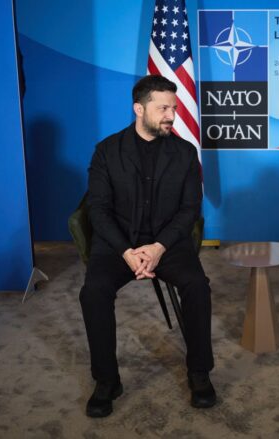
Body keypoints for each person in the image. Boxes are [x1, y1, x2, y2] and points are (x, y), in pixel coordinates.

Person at [79, 75, 215, 417]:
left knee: (198, 286)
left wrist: (159, 247)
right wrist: (126, 251)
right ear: (139, 109)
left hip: (167, 243)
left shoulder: (185, 153)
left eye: (174, 108)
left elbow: (189, 209)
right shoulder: (107, 151)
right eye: (163, 108)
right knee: (93, 291)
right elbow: (97, 209)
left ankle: (199, 372)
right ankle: (107, 380)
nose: (171, 115)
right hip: (118, 245)